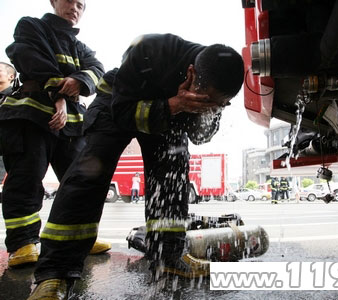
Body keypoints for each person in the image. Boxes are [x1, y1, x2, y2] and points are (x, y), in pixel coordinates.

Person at [27, 33, 244, 299]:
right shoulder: (151, 49)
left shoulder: (213, 88)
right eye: (206, 100)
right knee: (90, 173)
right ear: (191, 73)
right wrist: (174, 104)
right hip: (117, 104)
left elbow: (201, 137)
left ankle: (169, 258)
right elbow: (123, 113)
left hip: (169, 113)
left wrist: (202, 109)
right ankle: (55, 273)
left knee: (173, 173)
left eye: (217, 104)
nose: (210, 106)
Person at [0, 0, 108, 269]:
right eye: (70, 0)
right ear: (54, 1)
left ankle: (78, 237)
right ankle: (23, 242)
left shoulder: (80, 46)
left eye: (81, 5)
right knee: (26, 178)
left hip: (71, 123)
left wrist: (80, 81)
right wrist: (59, 93)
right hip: (32, 116)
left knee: (79, 183)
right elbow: (30, 58)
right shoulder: (31, 26)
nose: (75, 7)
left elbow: (98, 71)